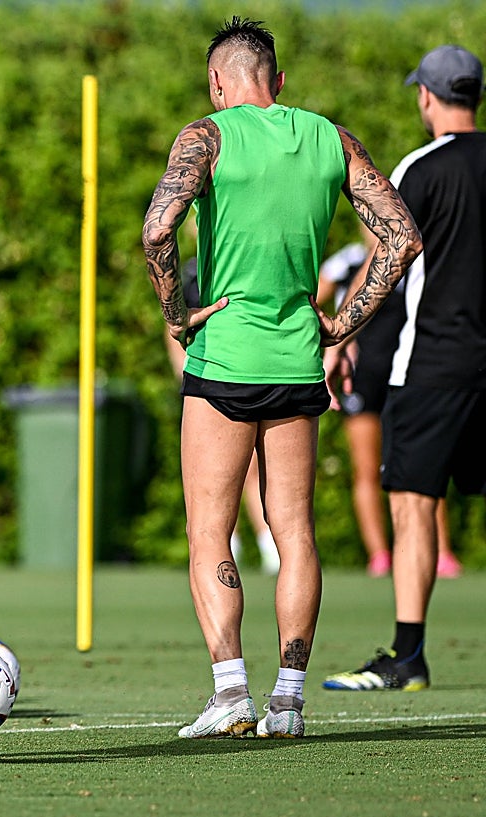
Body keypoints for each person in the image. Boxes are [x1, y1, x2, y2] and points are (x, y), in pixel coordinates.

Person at [142, 17, 421, 738]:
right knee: (294, 529)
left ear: (216, 82)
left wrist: (178, 314)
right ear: (279, 81)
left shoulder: (205, 136)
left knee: (210, 532)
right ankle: (288, 701)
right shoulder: (330, 138)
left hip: (224, 361)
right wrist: (342, 324)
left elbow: (157, 230)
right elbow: (402, 237)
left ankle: (231, 693)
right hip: (297, 362)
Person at [324, 45, 485, 693]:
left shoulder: (421, 167)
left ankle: (408, 656)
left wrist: (340, 334)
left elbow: (388, 256)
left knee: (414, 501)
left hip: (433, 364)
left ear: (426, 96)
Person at [317, 239, 461, 579]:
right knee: (367, 468)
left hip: (410, 373)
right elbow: (310, 300)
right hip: (363, 379)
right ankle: (379, 555)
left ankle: (441, 552)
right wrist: (335, 340)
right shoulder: (347, 261)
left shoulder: (415, 256)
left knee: (425, 464)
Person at [163, 256, 281, 575]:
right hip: (210, 379)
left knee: (249, 470)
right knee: (218, 480)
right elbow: (173, 324)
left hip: (243, 373)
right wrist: (189, 377)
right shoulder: (192, 272)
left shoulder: (242, 262)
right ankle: (235, 546)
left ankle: (266, 544)